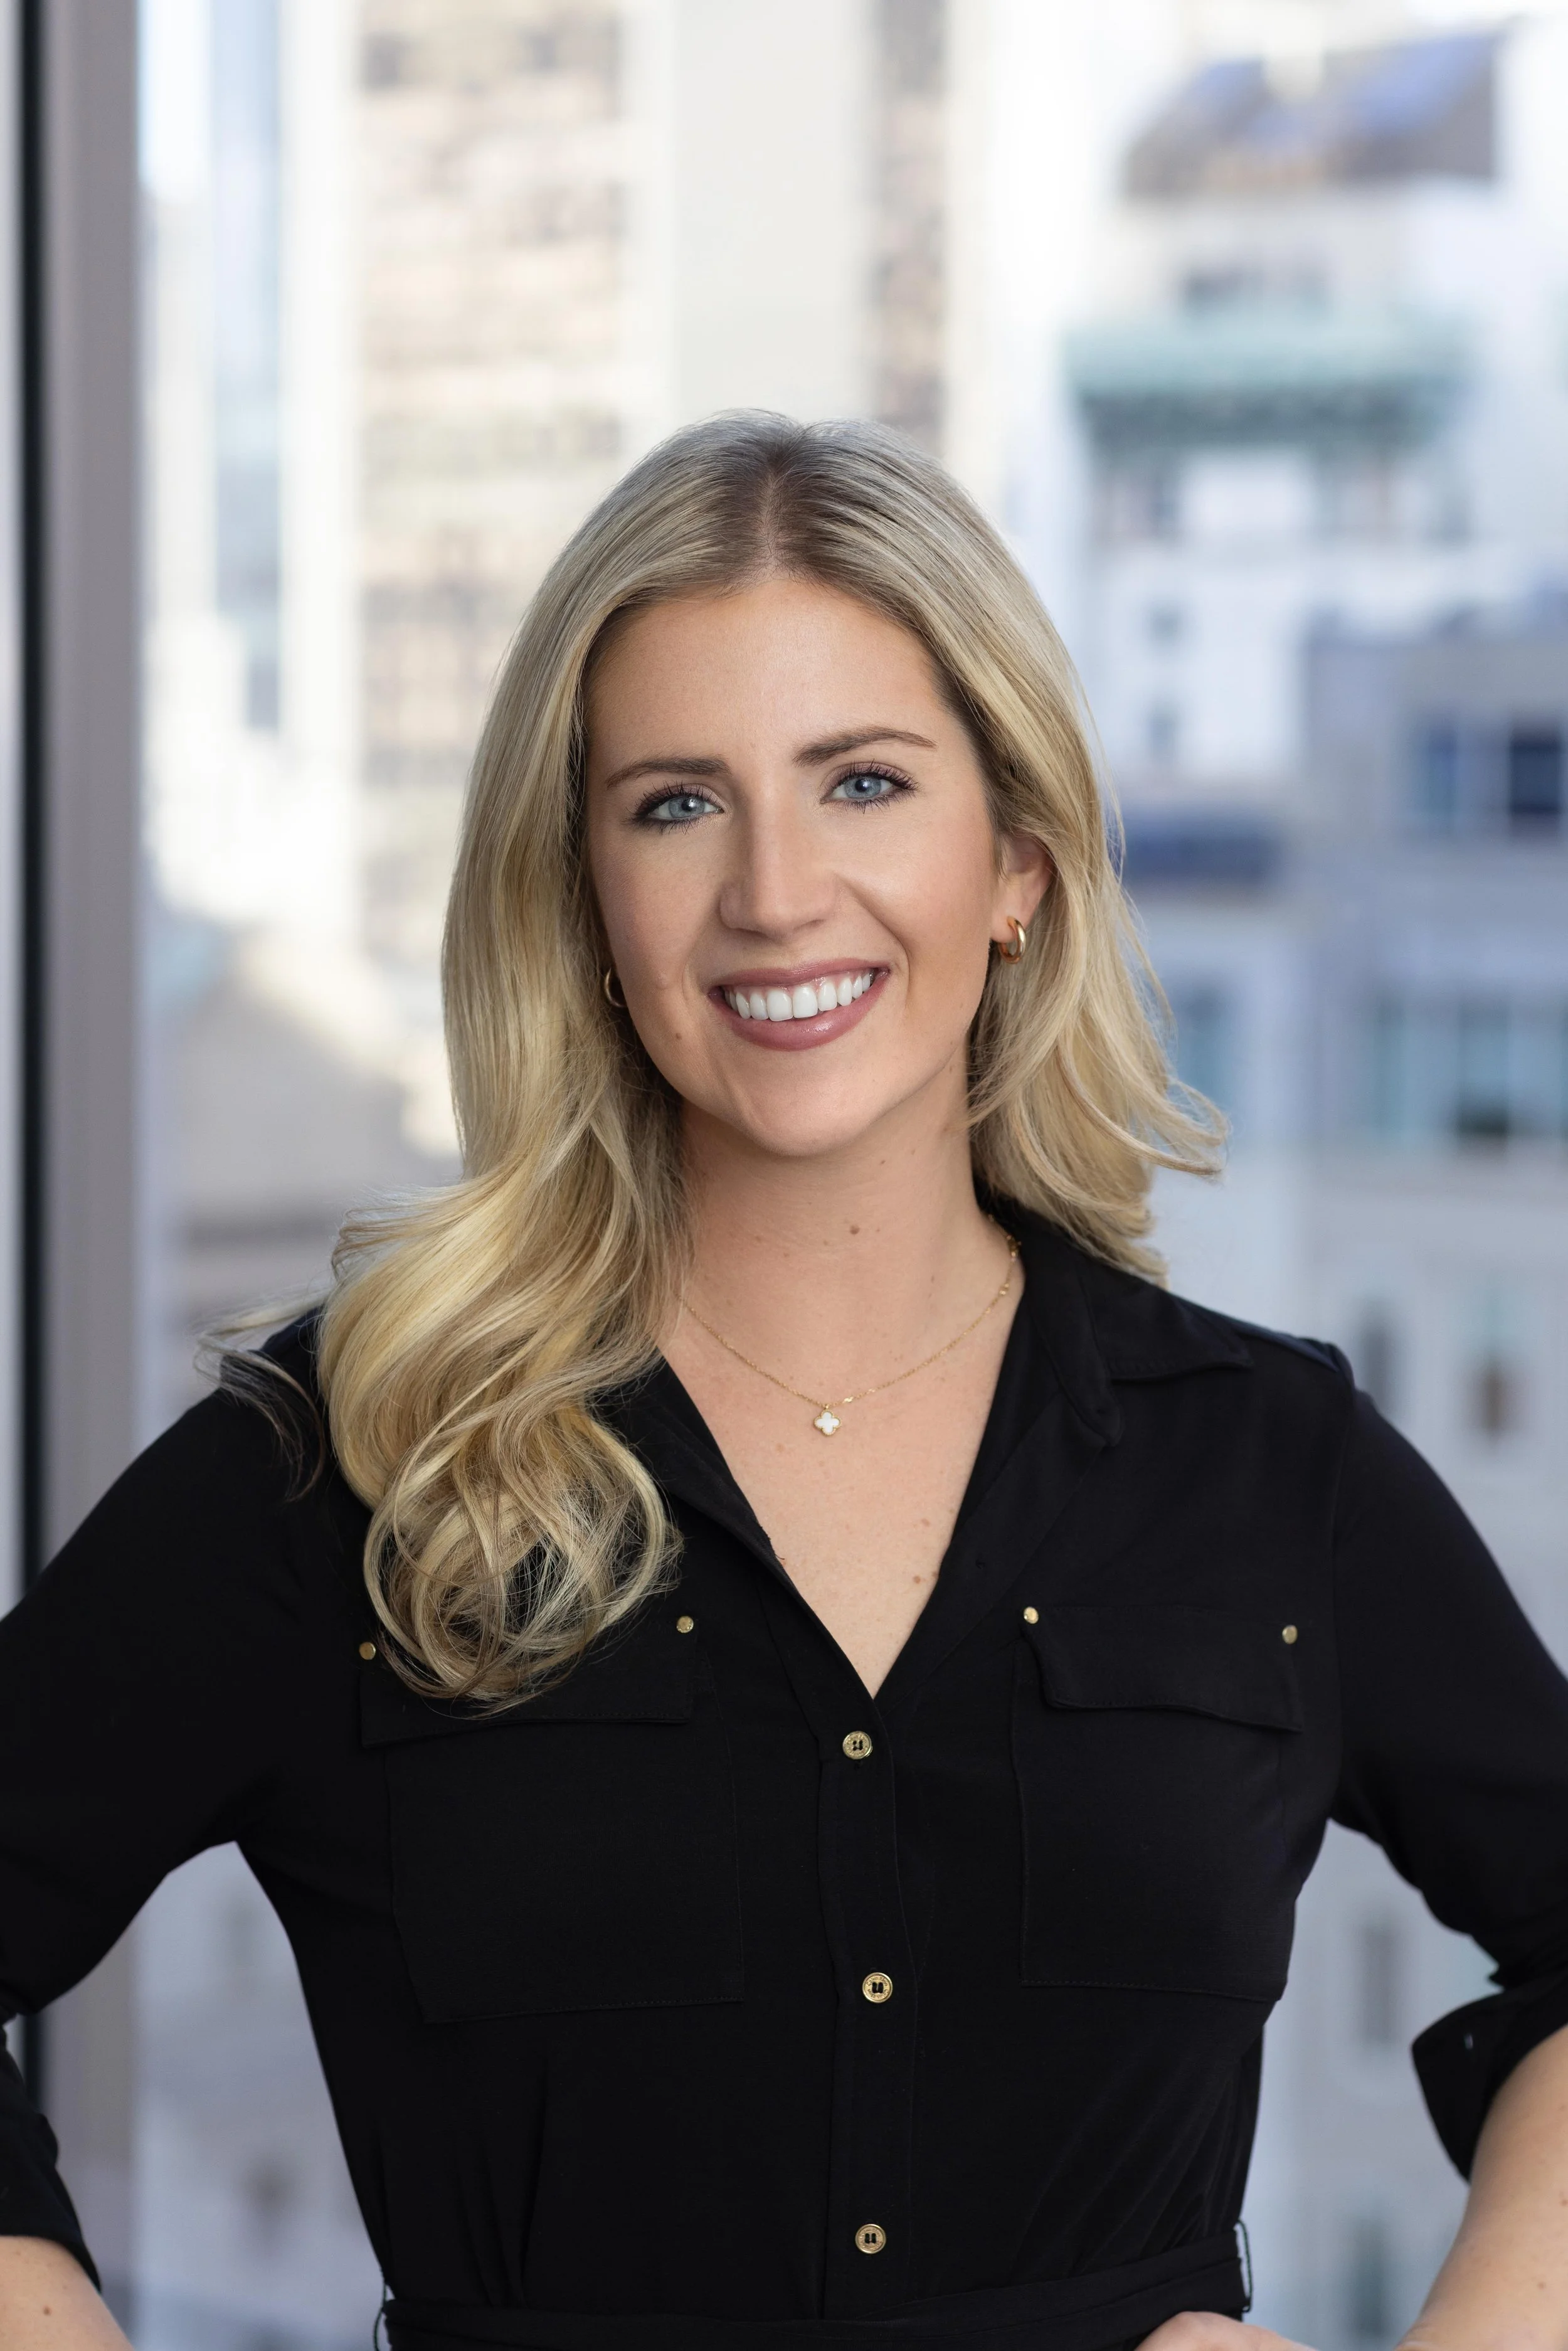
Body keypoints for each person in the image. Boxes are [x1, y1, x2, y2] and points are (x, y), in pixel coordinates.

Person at [4, 414, 1568, 2351]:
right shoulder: (346, 1462)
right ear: (579, 896)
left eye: (862, 782)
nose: (773, 889)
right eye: (675, 803)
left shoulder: (1262, 1463)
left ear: (1014, 860)